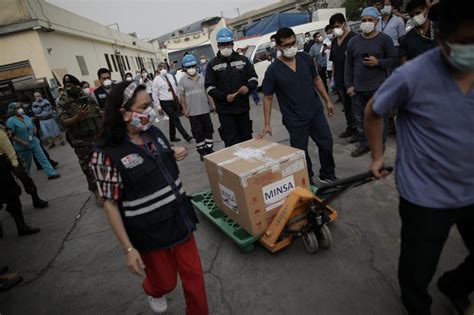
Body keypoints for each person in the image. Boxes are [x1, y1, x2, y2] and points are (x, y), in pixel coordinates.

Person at [365, 0, 474, 313]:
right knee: (417, 270)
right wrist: (376, 156)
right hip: (425, 195)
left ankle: (455, 284)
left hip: (470, 188)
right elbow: (374, 112)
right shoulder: (412, 76)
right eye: (466, 43)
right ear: (443, 40)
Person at [89, 81, 208, 314]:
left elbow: (158, 154)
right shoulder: (105, 153)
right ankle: (153, 289)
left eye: (150, 105)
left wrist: (173, 151)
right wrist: (128, 249)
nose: (150, 112)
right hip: (149, 231)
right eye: (143, 108)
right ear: (124, 113)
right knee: (166, 282)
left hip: (179, 216)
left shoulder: (151, 131)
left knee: (194, 275)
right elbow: (110, 205)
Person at [259, 27, 337, 184]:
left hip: (315, 112)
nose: (291, 47)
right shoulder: (273, 70)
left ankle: (328, 174)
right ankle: (308, 180)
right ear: (278, 47)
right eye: (287, 45)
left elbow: (317, 80)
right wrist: (267, 124)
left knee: (326, 143)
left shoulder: (305, 58)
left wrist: (328, 100)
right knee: (301, 152)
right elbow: (267, 98)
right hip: (294, 119)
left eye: (293, 43)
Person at [345, 6, 398, 157]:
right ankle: (364, 144)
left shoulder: (384, 40)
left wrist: (378, 63)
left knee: (380, 118)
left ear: (376, 21)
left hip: (378, 88)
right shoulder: (354, 41)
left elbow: (394, 60)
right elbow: (348, 65)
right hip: (358, 89)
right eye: (364, 20)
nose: (366, 23)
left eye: (370, 20)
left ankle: (379, 145)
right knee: (360, 118)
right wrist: (349, 85)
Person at [205, 27, 258, 147]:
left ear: (232, 44)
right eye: (222, 45)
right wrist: (224, 96)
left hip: (242, 109)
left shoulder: (243, 60)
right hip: (225, 112)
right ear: (218, 45)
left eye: (227, 44)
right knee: (230, 142)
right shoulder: (212, 64)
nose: (225, 47)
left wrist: (248, 86)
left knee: (246, 140)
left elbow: (253, 78)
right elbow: (209, 87)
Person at [57, 74, 103, 206]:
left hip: (97, 137)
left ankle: (108, 187)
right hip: (81, 141)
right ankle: (96, 192)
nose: (70, 88)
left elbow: (98, 113)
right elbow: (64, 122)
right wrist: (78, 117)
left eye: (73, 85)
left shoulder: (87, 98)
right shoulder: (63, 102)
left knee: (103, 163)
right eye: (67, 86)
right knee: (88, 167)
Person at [0, 128, 41, 237]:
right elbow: (7, 146)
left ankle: (35, 199)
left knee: (23, 180)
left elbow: (6, 136)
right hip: (5, 161)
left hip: (6, 159)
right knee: (12, 193)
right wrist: (14, 161)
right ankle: (21, 226)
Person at [6, 103, 60, 180]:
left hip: (34, 142)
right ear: (13, 110)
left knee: (43, 158)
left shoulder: (25, 117)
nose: (20, 109)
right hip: (22, 146)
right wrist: (22, 142)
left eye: (20, 107)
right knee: (26, 164)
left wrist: (34, 130)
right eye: (17, 108)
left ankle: (51, 174)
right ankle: (26, 177)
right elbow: (11, 135)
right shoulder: (10, 121)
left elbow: (32, 125)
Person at [178, 54, 215, 160]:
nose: (191, 69)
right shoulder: (182, 80)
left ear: (196, 66)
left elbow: (208, 92)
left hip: (205, 110)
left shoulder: (202, 77)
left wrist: (212, 104)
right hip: (193, 113)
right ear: (184, 68)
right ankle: (202, 151)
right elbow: (182, 97)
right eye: (188, 67)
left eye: (192, 66)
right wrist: (184, 109)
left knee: (208, 130)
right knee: (198, 133)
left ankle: (209, 148)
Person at [1, 126, 48, 208]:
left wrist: (8, 130)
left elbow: (8, 128)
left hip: (10, 153)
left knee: (24, 176)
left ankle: (36, 199)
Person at [329, 13, 358, 143]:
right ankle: (350, 127)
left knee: (355, 106)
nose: (335, 29)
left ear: (344, 24)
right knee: (346, 106)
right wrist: (333, 78)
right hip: (340, 79)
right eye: (333, 27)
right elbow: (334, 61)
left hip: (352, 79)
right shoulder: (335, 41)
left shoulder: (353, 38)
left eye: (337, 26)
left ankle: (359, 131)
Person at [152, 63, 192, 143]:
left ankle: (172, 136)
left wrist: (178, 98)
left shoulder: (170, 76)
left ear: (167, 68)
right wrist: (158, 107)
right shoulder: (156, 80)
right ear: (158, 69)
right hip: (165, 103)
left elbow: (174, 87)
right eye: (160, 68)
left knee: (172, 119)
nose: (163, 69)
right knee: (175, 118)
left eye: (164, 67)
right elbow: (155, 94)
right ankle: (186, 136)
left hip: (174, 100)